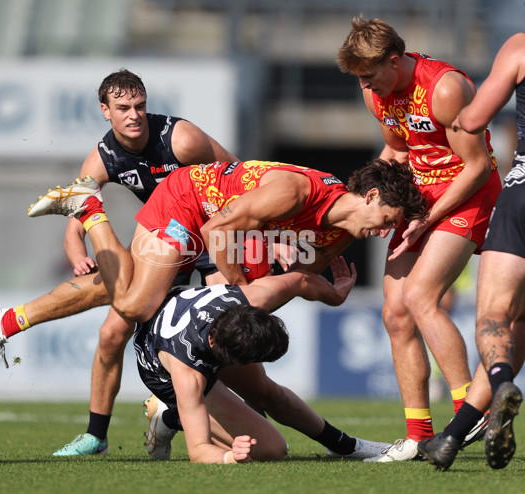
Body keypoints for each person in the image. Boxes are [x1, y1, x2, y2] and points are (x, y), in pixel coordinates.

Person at [0, 158, 426, 457]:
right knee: (134, 303)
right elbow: (221, 223)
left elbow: (298, 275)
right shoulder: (295, 191)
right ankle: (89, 209)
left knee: (257, 385)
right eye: (388, 220)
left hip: (224, 235)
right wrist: (239, 287)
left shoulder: (339, 233)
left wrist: (329, 290)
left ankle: (347, 447)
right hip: (188, 203)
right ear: (371, 197)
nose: (386, 231)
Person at [0, 68, 240, 456]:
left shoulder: (181, 138)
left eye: (140, 106)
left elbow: (239, 175)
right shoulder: (101, 159)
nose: (134, 115)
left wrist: (248, 234)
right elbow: (75, 226)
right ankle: (97, 436)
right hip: (165, 242)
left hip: (213, 242)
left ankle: (172, 418)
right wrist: (80, 259)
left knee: (228, 342)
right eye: (124, 107)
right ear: (104, 111)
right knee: (112, 334)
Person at [337, 17, 502, 462]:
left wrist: (428, 216)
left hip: (465, 196)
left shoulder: (445, 89)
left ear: (394, 60)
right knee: (394, 314)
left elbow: (477, 166)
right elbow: (398, 151)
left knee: (420, 296)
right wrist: (361, 197)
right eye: (360, 79)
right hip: (419, 197)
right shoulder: (373, 90)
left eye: (370, 75)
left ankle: (474, 411)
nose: (366, 85)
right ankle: (416, 436)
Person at [136, 257, 392, 463]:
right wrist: (229, 456)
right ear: (231, 361)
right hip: (161, 368)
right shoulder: (188, 373)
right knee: (272, 449)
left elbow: (300, 279)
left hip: (201, 330)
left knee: (268, 393)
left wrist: (334, 295)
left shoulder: (248, 298)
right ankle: (167, 417)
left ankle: (343, 446)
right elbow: (199, 450)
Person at [418, 32, 525, 471]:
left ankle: (500, 383)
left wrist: (454, 116)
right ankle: (453, 435)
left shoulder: (520, 46)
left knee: (496, 317)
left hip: (523, 195)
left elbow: (474, 119)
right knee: (521, 324)